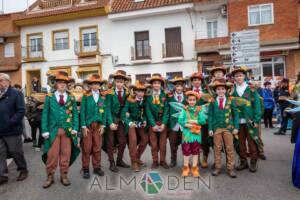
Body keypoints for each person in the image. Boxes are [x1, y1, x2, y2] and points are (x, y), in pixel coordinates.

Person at [41, 71, 80, 188]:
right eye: (60, 82)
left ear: (67, 84)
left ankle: (64, 175)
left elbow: (75, 114)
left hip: (67, 131)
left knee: (66, 154)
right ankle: (50, 176)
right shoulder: (49, 97)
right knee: (52, 155)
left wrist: (75, 128)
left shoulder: (72, 97)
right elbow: (45, 115)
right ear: (56, 84)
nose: (62, 85)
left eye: (64, 83)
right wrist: (44, 130)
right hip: (53, 131)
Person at [231, 67, 262, 173]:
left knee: (252, 142)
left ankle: (253, 161)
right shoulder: (232, 90)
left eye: (240, 75)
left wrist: (257, 120)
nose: (238, 77)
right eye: (236, 76)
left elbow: (257, 105)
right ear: (234, 78)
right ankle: (243, 161)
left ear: (244, 76)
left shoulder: (251, 89)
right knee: (240, 143)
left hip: (250, 121)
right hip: (238, 122)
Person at [0, 73, 29, 185]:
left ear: (7, 81)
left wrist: (11, 122)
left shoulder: (16, 94)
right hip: (0, 130)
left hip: (12, 130)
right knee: (0, 153)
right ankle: (2, 175)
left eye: (1, 80)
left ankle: (23, 169)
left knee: (15, 151)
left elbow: (21, 110)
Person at [208, 78, 239, 178]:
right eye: (218, 89)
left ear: (226, 90)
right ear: (215, 91)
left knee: (229, 148)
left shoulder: (231, 100)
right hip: (216, 128)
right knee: (217, 148)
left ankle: (230, 168)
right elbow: (210, 115)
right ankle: (218, 167)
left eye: (222, 89)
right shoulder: (212, 101)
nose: (220, 91)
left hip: (228, 128)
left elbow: (236, 115)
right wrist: (210, 128)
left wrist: (236, 127)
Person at [80, 74, 107, 179]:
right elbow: (82, 112)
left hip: (98, 126)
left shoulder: (103, 97)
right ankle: (86, 169)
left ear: (100, 85)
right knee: (86, 148)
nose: (95, 86)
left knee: (97, 147)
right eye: (93, 84)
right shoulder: (86, 97)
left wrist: (103, 125)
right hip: (87, 126)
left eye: (97, 84)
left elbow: (104, 112)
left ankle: (97, 168)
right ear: (90, 85)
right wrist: (83, 126)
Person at [106, 70, 130, 172]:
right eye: (117, 81)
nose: (119, 83)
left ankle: (119, 160)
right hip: (111, 119)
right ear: (115, 82)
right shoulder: (109, 93)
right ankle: (111, 162)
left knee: (122, 141)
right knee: (110, 142)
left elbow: (127, 106)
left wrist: (125, 115)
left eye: (121, 81)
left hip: (121, 120)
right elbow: (107, 108)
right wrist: (111, 122)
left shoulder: (128, 93)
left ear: (124, 82)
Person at [121, 81, 149, 172]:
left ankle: (136, 158)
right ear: (135, 91)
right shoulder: (129, 100)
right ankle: (134, 163)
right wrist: (129, 122)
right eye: (139, 91)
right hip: (131, 123)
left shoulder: (145, 100)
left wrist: (144, 120)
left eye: (142, 91)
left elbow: (144, 113)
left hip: (140, 123)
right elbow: (123, 114)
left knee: (145, 139)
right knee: (133, 141)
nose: (141, 93)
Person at [178, 91, 206, 177]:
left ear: (196, 101)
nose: (192, 101)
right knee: (186, 151)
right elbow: (180, 120)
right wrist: (187, 124)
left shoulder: (199, 110)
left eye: (194, 100)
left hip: (196, 135)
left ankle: (194, 168)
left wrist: (194, 121)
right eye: (190, 100)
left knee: (195, 151)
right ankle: (186, 168)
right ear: (187, 100)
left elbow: (203, 121)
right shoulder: (184, 110)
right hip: (186, 134)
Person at [145, 73, 169, 169]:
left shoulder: (164, 95)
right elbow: (148, 111)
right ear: (152, 85)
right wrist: (153, 124)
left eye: (158, 83)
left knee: (163, 144)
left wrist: (163, 123)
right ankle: (155, 161)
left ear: (161, 85)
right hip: (153, 123)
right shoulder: (148, 96)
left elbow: (166, 110)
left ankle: (162, 161)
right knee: (154, 144)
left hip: (162, 123)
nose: (156, 85)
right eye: (154, 83)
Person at [189, 72, 210, 168]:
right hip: (193, 121)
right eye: (195, 80)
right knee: (195, 140)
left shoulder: (207, 91)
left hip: (204, 121)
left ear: (201, 81)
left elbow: (210, 104)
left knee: (205, 140)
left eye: (198, 80)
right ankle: (195, 159)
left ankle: (205, 158)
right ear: (192, 82)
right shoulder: (188, 92)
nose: (197, 82)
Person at [167, 77, 187, 168]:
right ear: (174, 87)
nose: (179, 88)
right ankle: (173, 160)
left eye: (181, 86)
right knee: (173, 143)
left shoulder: (188, 97)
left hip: (184, 125)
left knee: (185, 143)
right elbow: (167, 111)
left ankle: (186, 162)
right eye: (177, 86)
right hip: (173, 124)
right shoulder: (169, 97)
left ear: (183, 87)